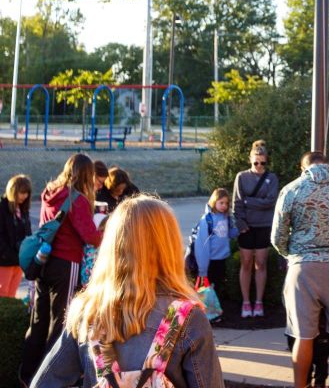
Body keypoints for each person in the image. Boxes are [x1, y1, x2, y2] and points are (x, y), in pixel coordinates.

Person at [29, 195, 223, 388]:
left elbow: (43, 384)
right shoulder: (188, 319)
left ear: (113, 248)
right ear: (169, 248)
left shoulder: (87, 313)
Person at [272, 150, 329, 388]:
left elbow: (277, 236)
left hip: (303, 268)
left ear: (302, 167)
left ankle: (300, 386)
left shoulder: (291, 189)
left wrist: (293, 255)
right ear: (328, 164)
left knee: (303, 336)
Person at [20, 154, 105, 387]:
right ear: (86, 174)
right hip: (66, 263)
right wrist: (105, 231)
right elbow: (89, 235)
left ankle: (27, 375)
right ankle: (51, 378)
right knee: (61, 323)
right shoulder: (75, 199)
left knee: (38, 320)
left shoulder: (50, 193)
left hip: (43, 261)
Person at [232, 139, 279, 318]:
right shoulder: (242, 177)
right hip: (247, 227)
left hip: (264, 226)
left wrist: (249, 201)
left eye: (263, 163)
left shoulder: (271, 178)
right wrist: (241, 224)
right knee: (246, 264)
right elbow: (237, 202)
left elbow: (271, 201)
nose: (259, 166)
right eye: (256, 162)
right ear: (250, 159)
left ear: (266, 160)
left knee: (261, 264)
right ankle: (246, 301)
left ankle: (258, 301)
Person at [193, 187, 238, 302]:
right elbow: (202, 245)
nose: (224, 205)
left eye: (226, 203)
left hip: (221, 259)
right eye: (221, 202)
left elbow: (229, 234)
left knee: (217, 286)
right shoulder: (207, 220)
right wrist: (203, 268)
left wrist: (239, 228)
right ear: (214, 201)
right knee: (207, 289)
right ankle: (208, 315)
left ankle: (215, 313)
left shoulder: (226, 217)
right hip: (210, 261)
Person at [0, 173, 32, 298]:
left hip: (18, 261)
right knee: (3, 294)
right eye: (22, 192)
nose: (25, 196)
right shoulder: (2, 208)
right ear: (13, 191)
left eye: (27, 192)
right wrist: (8, 253)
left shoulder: (23, 210)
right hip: (4, 260)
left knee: (11, 294)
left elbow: (28, 233)